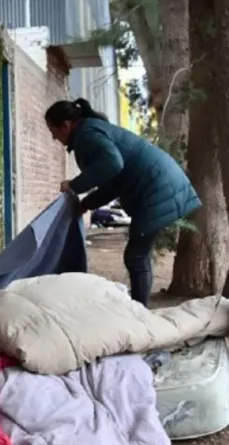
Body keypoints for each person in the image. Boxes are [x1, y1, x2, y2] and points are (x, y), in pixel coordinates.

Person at [46, 98, 201, 306]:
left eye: (53, 130)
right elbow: (114, 182)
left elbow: (112, 164)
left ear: (65, 125)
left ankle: (139, 313)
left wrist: (74, 185)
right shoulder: (91, 131)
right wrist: (86, 204)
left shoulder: (87, 135)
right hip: (162, 184)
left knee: (136, 257)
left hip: (157, 188)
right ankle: (139, 308)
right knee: (139, 256)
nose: (53, 137)